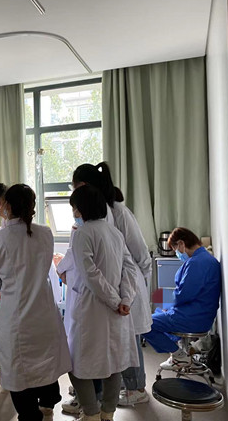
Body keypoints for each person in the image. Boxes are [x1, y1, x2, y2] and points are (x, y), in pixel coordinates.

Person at [0, 184, 71, 421]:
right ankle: (48, 404)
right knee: (46, 363)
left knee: (20, 373)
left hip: (17, 317)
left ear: (7, 205)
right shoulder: (45, 233)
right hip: (44, 312)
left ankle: (31, 415)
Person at [71, 163, 153, 407]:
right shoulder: (94, 227)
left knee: (123, 345)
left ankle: (132, 389)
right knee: (114, 350)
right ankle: (100, 401)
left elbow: (139, 255)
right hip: (116, 292)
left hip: (121, 289)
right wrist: (122, 297)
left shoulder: (117, 213)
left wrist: (130, 293)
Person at [66, 185, 138, 421]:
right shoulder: (114, 233)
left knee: (77, 365)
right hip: (116, 310)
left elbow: (90, 275)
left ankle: (91, 413)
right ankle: (108, 412)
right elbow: (130, 269)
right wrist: (125, 299)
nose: (74, 212)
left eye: (74, 207)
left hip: (93, 309)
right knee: (113, 363)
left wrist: (117, 301)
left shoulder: (82, 234)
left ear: (81, 208)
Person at [144, 227, 222, 369]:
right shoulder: (205, 259)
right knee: (159, 313)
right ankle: (181, 352)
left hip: (191, 318)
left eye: (175, 249)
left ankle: (179, 356)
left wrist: (167, 303)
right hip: (199, 314)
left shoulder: (197, 263)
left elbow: (183, 295)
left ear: (181, 244)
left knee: (145, 324)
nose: (177, 253)